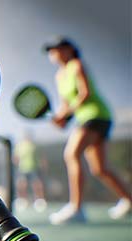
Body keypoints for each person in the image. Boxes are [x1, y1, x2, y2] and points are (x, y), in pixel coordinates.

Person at [43, 37, 132, 224]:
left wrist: (66, 115)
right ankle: (130, 201)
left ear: (68, 50)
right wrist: (61, 118)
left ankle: (76, 209)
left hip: (96, 115)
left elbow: (85, 93)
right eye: (51, 51)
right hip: (87, 119)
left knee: (71, 154)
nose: (54, 54)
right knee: (100, 169)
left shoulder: (77, 65)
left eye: (57, 49)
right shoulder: (59, 76)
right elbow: (66, 104)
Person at [13, 131, 47, 212]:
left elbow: (41, 157)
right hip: (22, 169)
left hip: (34, 168)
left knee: (37, 184)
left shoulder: (34, 145)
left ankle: (40, 201)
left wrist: (43, 166)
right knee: (22, 185)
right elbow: (16, 158)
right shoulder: (19, 146)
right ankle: (23, 201)